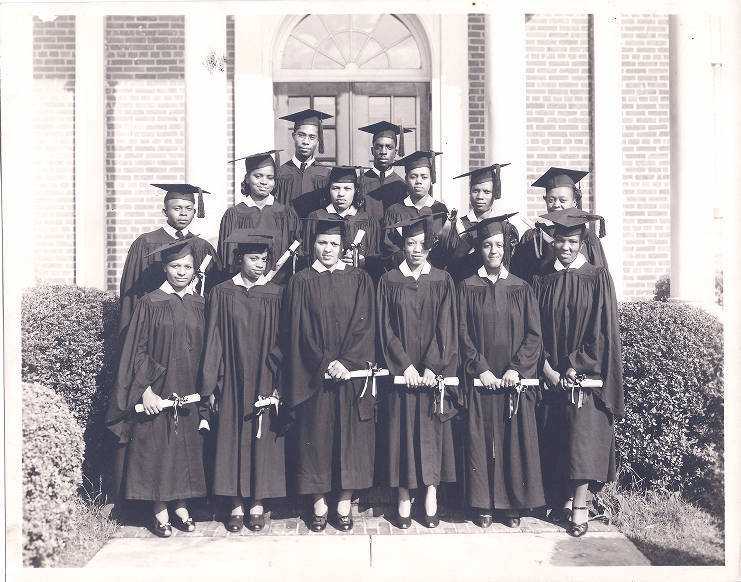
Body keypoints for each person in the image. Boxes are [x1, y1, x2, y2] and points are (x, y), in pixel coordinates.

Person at [531, 208, 624, 537]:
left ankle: (580, 505)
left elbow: (604, 332)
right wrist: (545, 367)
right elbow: (534, 330)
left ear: (582, 242)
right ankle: (561, 500)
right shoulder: (542, 278)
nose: (565, 247)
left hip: (583, 376)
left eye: (571, 241)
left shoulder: (597, 277)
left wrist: (573, 364)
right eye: (560, 240)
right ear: (552, 241)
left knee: (582, 438)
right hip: (549, 373)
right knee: (556, 436)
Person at [106, 239, 208, 538]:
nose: (181, 272)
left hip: (188, 388)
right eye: (175, 266)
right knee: (157, 448)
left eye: (187, 267)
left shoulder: (199, 303)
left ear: (195, 270)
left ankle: (181, 504)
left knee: (184, 449)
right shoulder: (150, 303)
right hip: (158, 388)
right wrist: (145, 390)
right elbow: (135, 350)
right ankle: (159, 508)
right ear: (165, 267)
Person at [282, 215, 376, 533]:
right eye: (322, 243)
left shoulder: (360, 279)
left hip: (349, 376)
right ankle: (319, 502)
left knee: (350, 439)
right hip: (315, 377)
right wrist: (324, 364)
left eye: (334, 244)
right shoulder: (301, 281)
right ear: (313, 245)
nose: (327, 249)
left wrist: (346, 363)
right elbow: (298, 331)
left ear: (343, 247)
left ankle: (344, 502)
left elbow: (364, 327)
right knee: (316, 438)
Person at [457, 216, 545, 528]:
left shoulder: (520, 287)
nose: (493, 250)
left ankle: (511, 505)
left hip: (511, 382)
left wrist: (516, 369)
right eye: (487, 245)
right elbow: (461, 333)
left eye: (498, 245)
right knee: (480, 440)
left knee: (512, 439)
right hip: (481, 381)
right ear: (479, 249)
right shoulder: (466, 287)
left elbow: (534, 334)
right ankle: (483, 504)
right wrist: (479, 368)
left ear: (506, 248)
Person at [200, 229, 287, 533]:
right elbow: (213, 339)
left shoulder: (276, 293)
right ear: (240, 259)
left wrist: (279, 379)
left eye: (263, 259)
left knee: (262, 439)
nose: (259, 264)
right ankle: (236, 504)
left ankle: (259, 503)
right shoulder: (222, 292)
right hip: (232, 378)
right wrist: (211, 383)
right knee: (232, 436)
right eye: (253, 258)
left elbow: (284, 341)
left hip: (265, 375)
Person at [376, 215, 459, 529]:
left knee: (430, 434)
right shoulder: (388, 281)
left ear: (430, 246)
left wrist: (429, 367)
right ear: (402, 244)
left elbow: (446, 327)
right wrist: (406, 366)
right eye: (410, 243)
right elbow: (384, 330)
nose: (415, 249)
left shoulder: (441, 280)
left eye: (422, 244)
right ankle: (403, 496)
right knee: (401, 434)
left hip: (429, 375)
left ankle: (431, 494)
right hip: (402, 375)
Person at [118, 183, 220, 338]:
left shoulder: (202, 247)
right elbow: (131, 294)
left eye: (189, 208)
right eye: (177, 208)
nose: (183, 213)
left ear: (195, 211)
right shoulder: (145, 243)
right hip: (154, 327)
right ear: (165, 211)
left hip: (191, 328)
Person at [510, 167, 608, 284]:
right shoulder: (533, 237)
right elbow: (519, 277)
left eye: (562, 200)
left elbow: (600, 281)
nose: (556, 205)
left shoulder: (587, 237)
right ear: (545, 200)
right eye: (551, 200)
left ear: (574, 202)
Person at [219, 151, 300, 283]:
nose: (264, 182)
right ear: (247, 178)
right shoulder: (234, 214)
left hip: (278, 288)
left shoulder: (286, 214)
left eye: (270, 177)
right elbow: (227, 258)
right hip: (243, 289)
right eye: (258, 176)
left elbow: (295, 257)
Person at [302, 165, 382, 277]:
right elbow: (307, 256)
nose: (341, 194)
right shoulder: (316, 217)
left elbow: (375, 260)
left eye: (347, 188)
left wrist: (362, 261)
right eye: (336, 188)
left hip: (357, 282)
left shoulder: (368, 221)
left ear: (356, 190)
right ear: (329, 189)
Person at [448, 163, 521, 282]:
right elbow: (452, 266)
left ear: (494, 194)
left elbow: (512, 267)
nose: (480, 196)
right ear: (469, 192)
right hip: (465, 290)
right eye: (475, 191)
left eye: (487, 192)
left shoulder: (505, 228)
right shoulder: (457, 225)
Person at [382, 150, 453, 271]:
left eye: (424, 177)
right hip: (403, 275)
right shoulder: (394, 211)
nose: (418, 181)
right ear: (406, 179)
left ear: (431, 180)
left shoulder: (441, 210)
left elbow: (446, 248)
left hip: (433, 276)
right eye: (413, 177)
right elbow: (389, 249)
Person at [274, 108, 333, 218]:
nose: (306, 142)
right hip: (285, 232)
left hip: (316, 232)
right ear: (293, 136)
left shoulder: (326, 175)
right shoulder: (280, 173)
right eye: (301, 135)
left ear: (317, 141)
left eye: (312, 137)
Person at [357, 121, 411, 218]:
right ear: (372, 151)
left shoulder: (403, 186)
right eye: (379, 147)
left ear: (396, 152)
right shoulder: (359, 183)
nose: (383, 152)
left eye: (389, 147)